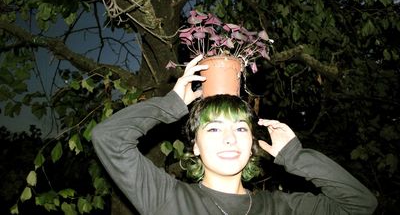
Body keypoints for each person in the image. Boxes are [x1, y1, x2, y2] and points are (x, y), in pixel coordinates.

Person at [92, 55, 377, 215]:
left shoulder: (283, 207)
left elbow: (361, 204)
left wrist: (295, 156)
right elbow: (109, 138)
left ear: (252, 142)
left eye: (240, 128)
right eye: (214, 128)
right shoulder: (168, 199)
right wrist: (171, 105)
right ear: (195, 147)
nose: (230, 138)